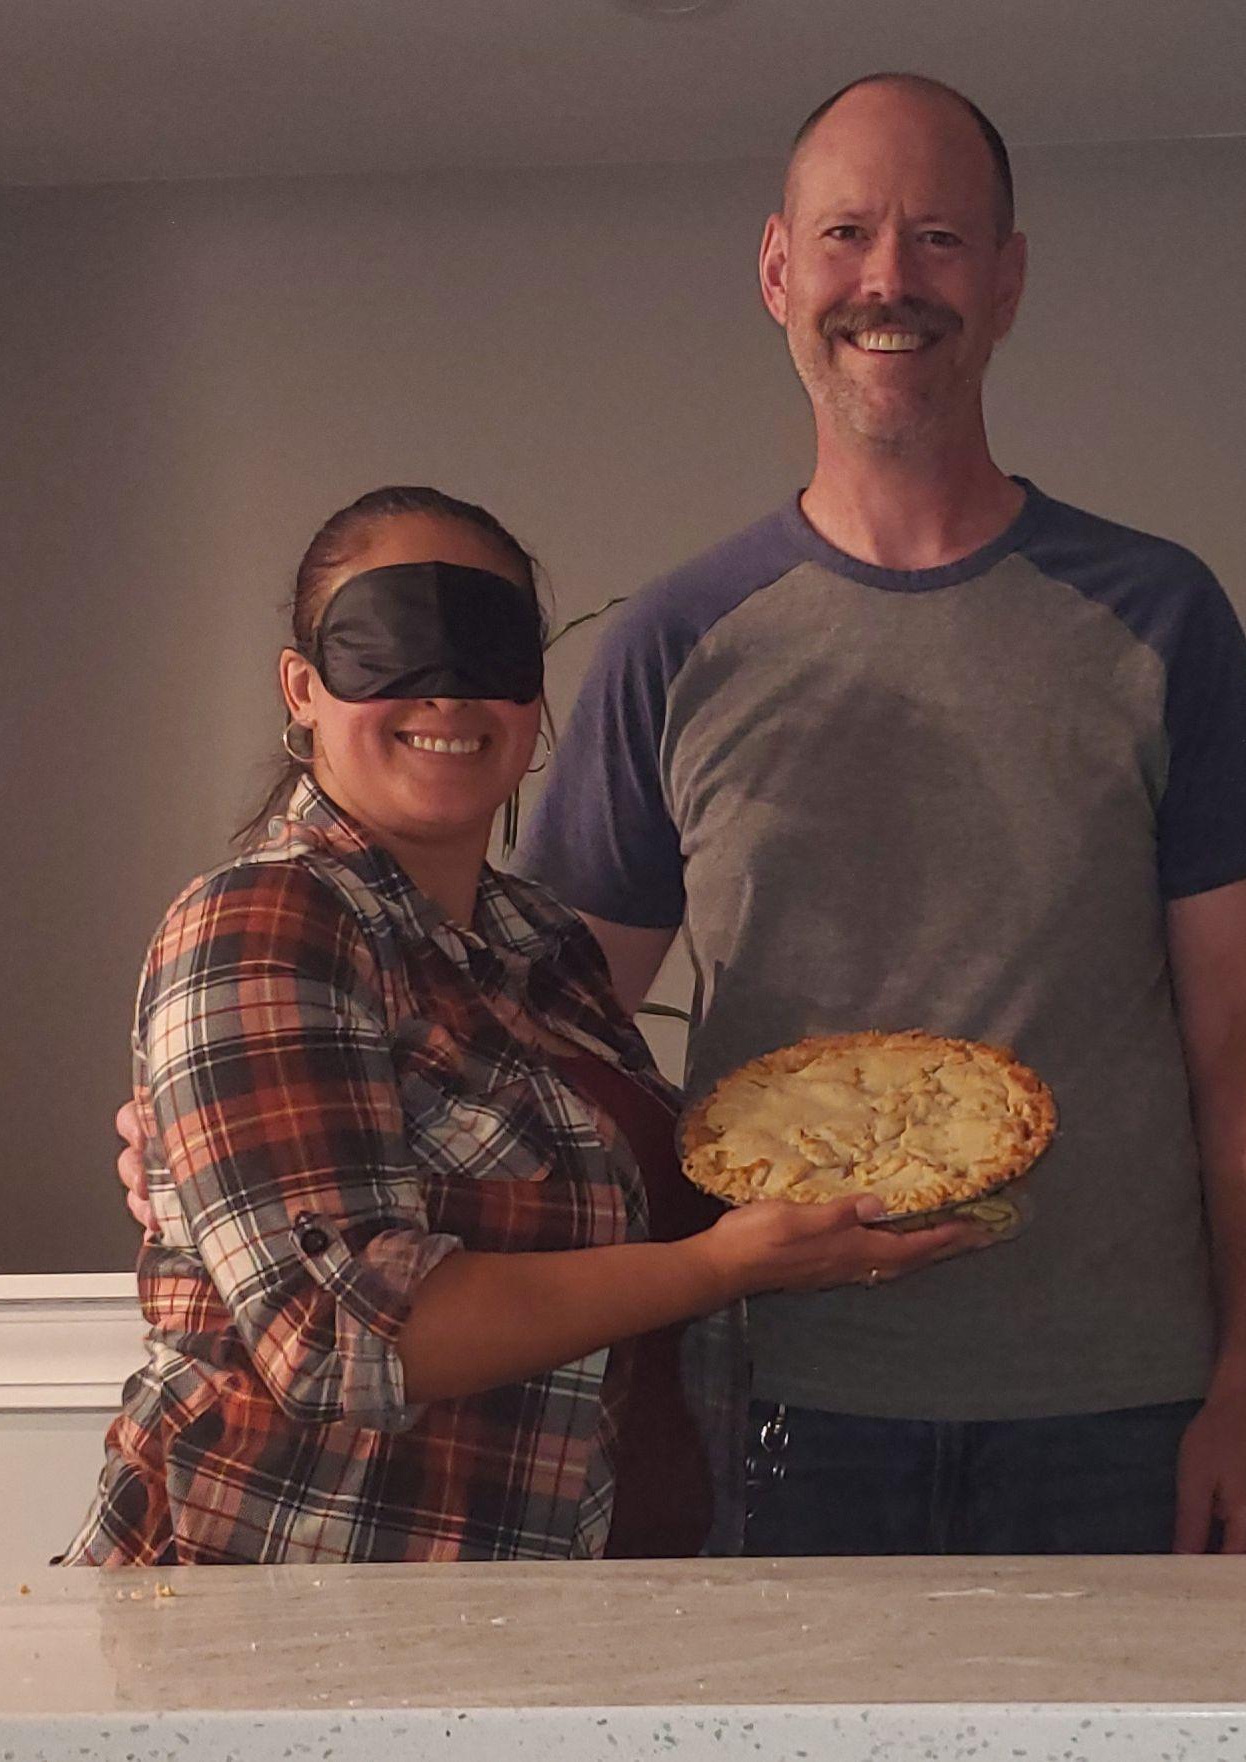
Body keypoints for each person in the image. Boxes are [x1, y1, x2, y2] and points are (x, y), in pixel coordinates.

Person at [511, 75, 1246, 1557]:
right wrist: (229, 1122)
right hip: (771, 1409)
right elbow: (540, 1040)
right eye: (847, 234)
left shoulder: (1159, 615)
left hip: (1119, 1409)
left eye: (940, 237)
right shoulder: (675, 641)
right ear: (778, 272)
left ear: (1006, 279)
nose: (889, 277)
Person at [70, 484, 978, 1567]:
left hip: (553, 1612)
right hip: (296, 1626)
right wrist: (724, 1266)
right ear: (302, 688)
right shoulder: (264, 921)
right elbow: (339, 1336)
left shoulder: (538, 945)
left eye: (488, 653)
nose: (447, 696)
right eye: (389, 646)